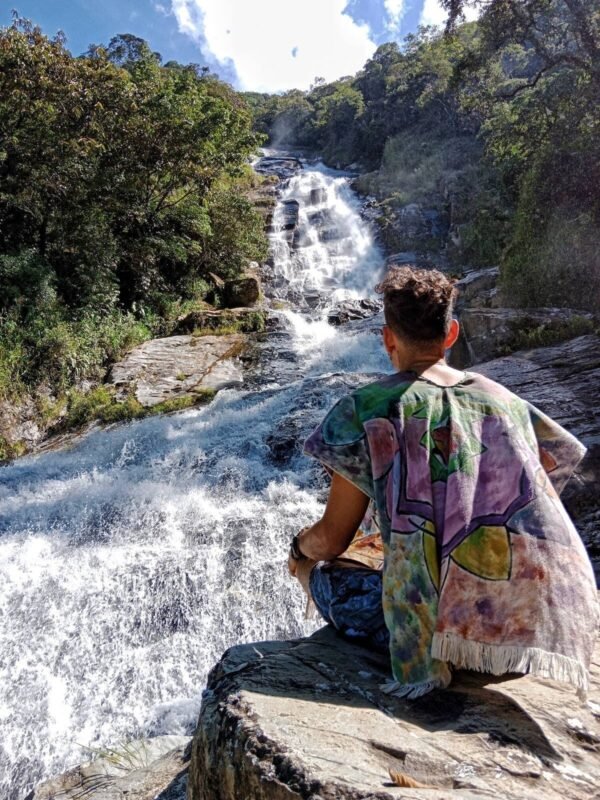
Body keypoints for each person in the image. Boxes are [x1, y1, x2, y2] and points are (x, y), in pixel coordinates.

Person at [288, 266, 598, 699]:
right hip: (516, 620)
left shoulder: (364, 408)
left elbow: (332, 538)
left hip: (431, 625)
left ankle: (426, 655)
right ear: (451, 333)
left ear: (387, 338)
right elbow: (551, 469)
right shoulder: (502, 400)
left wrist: (299, 551)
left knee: (325, 574)